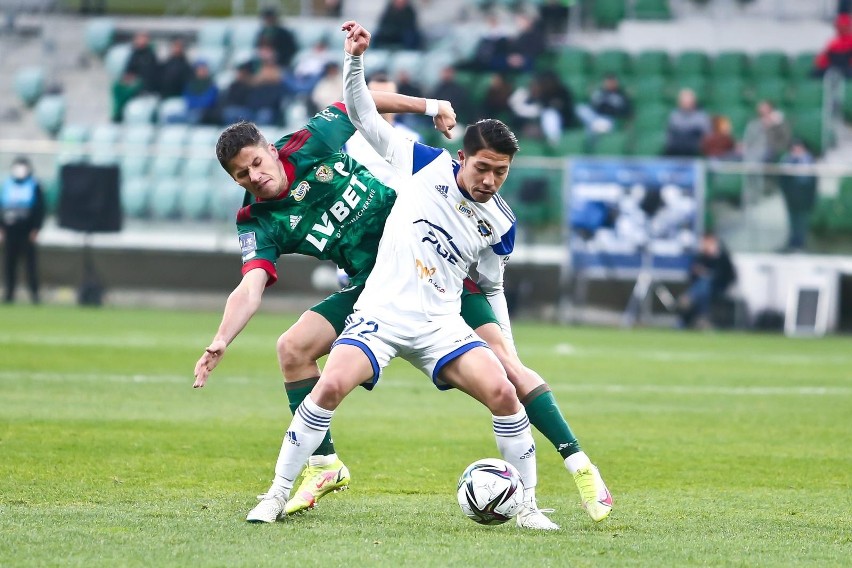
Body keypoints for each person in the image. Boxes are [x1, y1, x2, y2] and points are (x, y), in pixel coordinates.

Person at [193, 37, 611, 528]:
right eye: (241, 176)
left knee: (510, 375)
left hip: (435, 271)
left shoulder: (316, 142)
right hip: (375, 288)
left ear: (269, 147)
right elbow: (251, 285)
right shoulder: (257, 220)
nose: (254, 177)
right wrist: (222, 337)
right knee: (293, 349)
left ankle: (578, 467)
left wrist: (431, 105)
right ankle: (323, 466)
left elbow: (361, 105)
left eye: (256, 164)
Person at [1, 157, 44, 304]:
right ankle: (9, 294)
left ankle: (34, 294)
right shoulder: (7, 185)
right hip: (10, 231)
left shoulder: (34, 185)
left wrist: (36, 228)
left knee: (30, 266)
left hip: (27, 232)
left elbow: (40, 209)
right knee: (9, 265)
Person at [678, 232, 737, 329]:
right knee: (704, 285)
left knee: (706, 282)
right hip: (702, 289)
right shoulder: (701, 256)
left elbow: (728, 276)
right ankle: (702, 317)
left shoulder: (722, 256)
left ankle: (689, 298)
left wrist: (712, 263)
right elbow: (692, 275)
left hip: (718, 287)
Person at [778, 140, 817, 252]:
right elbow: (783, 178)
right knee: (793, 220)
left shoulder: (809, 161)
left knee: (802, 220)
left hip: (804, 196)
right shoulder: (787, 160)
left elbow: (810, 181)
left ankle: (801, 244)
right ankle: (792, 243)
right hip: (791, 196)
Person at [664, 88, 711, 157]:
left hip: (694, 151)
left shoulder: (701, 117)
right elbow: (669, 136)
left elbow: (707, 136)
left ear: (694, 102)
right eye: (683, 101)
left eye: (688, 101)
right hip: (675, 151)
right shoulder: (674, 116)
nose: (686, 103)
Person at [814, 13, 852, 77]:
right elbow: (822, 60)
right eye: (839, 26)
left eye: (844, 26)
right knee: (816, 73)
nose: (841, 28)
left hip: (847, 69)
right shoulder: (832, 43)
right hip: (833, 69)